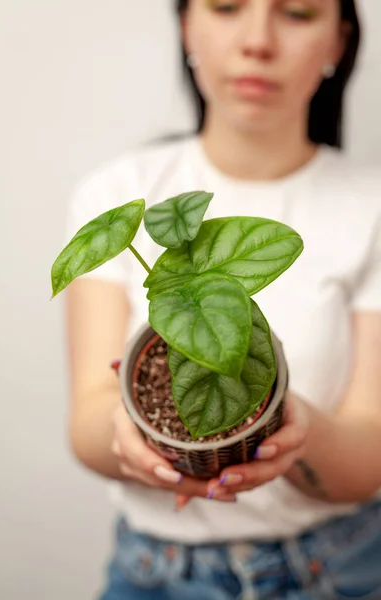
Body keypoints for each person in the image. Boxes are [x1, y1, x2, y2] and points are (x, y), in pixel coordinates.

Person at [65, 1, 381, 598]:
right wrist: (132, 442)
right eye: (228, 6)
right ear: (186, 25)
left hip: (338, 569)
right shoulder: (122, 193)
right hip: (156, 574)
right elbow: (87, 414)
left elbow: (369, 459)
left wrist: (301, 433)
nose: (257, 40)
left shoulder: (372, 209)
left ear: (339, 41)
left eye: (297, 12)